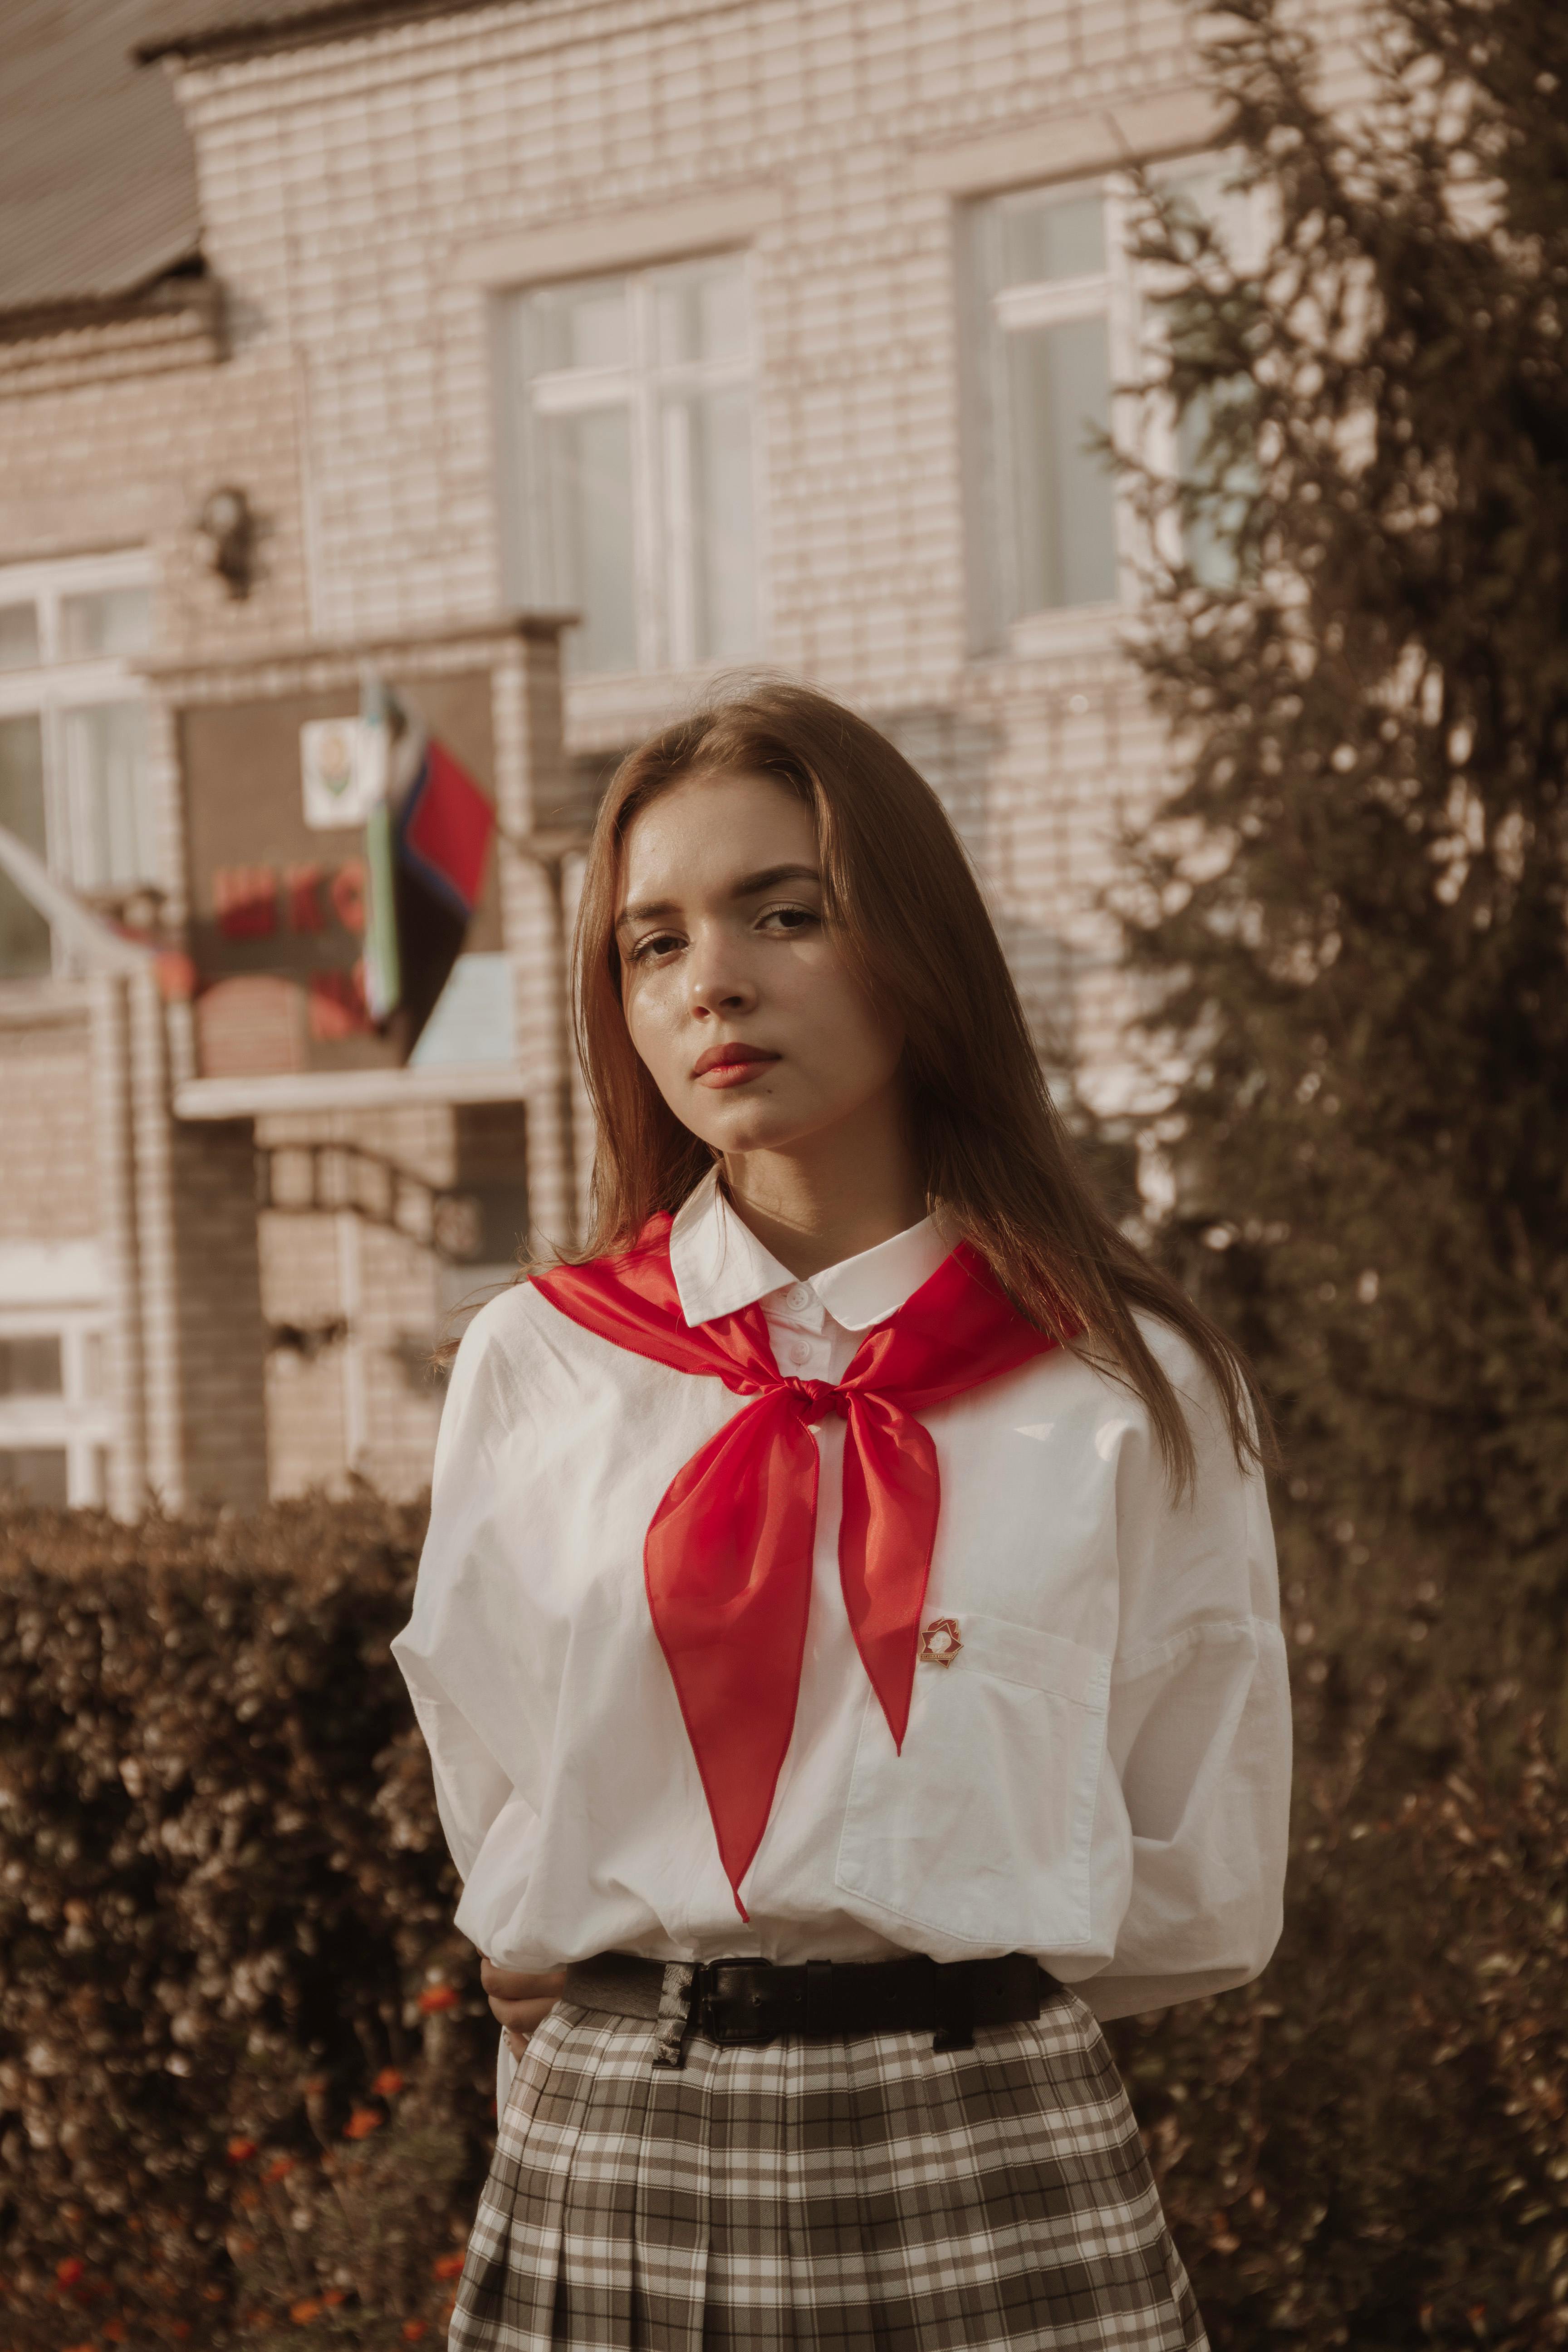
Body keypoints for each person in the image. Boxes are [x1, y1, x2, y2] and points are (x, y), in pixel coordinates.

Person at [391, 677, 1291, 2352]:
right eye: (651, 944)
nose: (712, 981)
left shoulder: (1123, 1383)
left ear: (917, 948)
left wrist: (947, 1922)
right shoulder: (541, 1363)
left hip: (992, 2142)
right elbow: (505, 1796)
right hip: (626, 2145)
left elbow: (1201, 1864)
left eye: (783, 913)